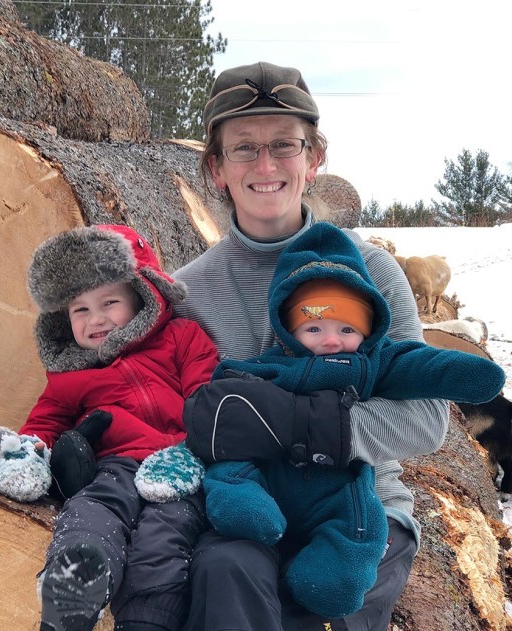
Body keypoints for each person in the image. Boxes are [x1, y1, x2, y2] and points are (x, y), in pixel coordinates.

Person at [169, 60, 453, 630]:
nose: (266, 164)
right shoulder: (191, 291)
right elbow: (188, 418)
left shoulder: (372, 271)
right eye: (244, 148)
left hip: (361, 508)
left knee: (325, 602)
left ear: (315, 159)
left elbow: (426, 421)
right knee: (223, 576)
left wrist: (310, 429)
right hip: (248, 509)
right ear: (216, 168)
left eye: (284, 144)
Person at [184, 220, 505, 619]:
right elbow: (209, 402)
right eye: (314, 327)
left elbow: (425, 404)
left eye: (347, 327)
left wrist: (293, 423)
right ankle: (245, 507)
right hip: (264, 482)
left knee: (347, 556)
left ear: (313, 160)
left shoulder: (379, 282)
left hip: (354, 491)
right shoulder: (190, 289)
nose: (331, 340)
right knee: (226, 563)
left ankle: (331, 579)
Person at [0, 224, 219, 631]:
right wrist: (28, 452)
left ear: (141, 298)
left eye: (109, 302)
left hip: (182, 469)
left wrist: (192, 449)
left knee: (163, 539)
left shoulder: (180, 338)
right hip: (113, 468)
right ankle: (70, 597)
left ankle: (146, 621)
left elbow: (208, 398)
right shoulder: (71, 373)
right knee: (90, 513)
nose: (95, 319)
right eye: (80, 309)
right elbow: (45, 420)